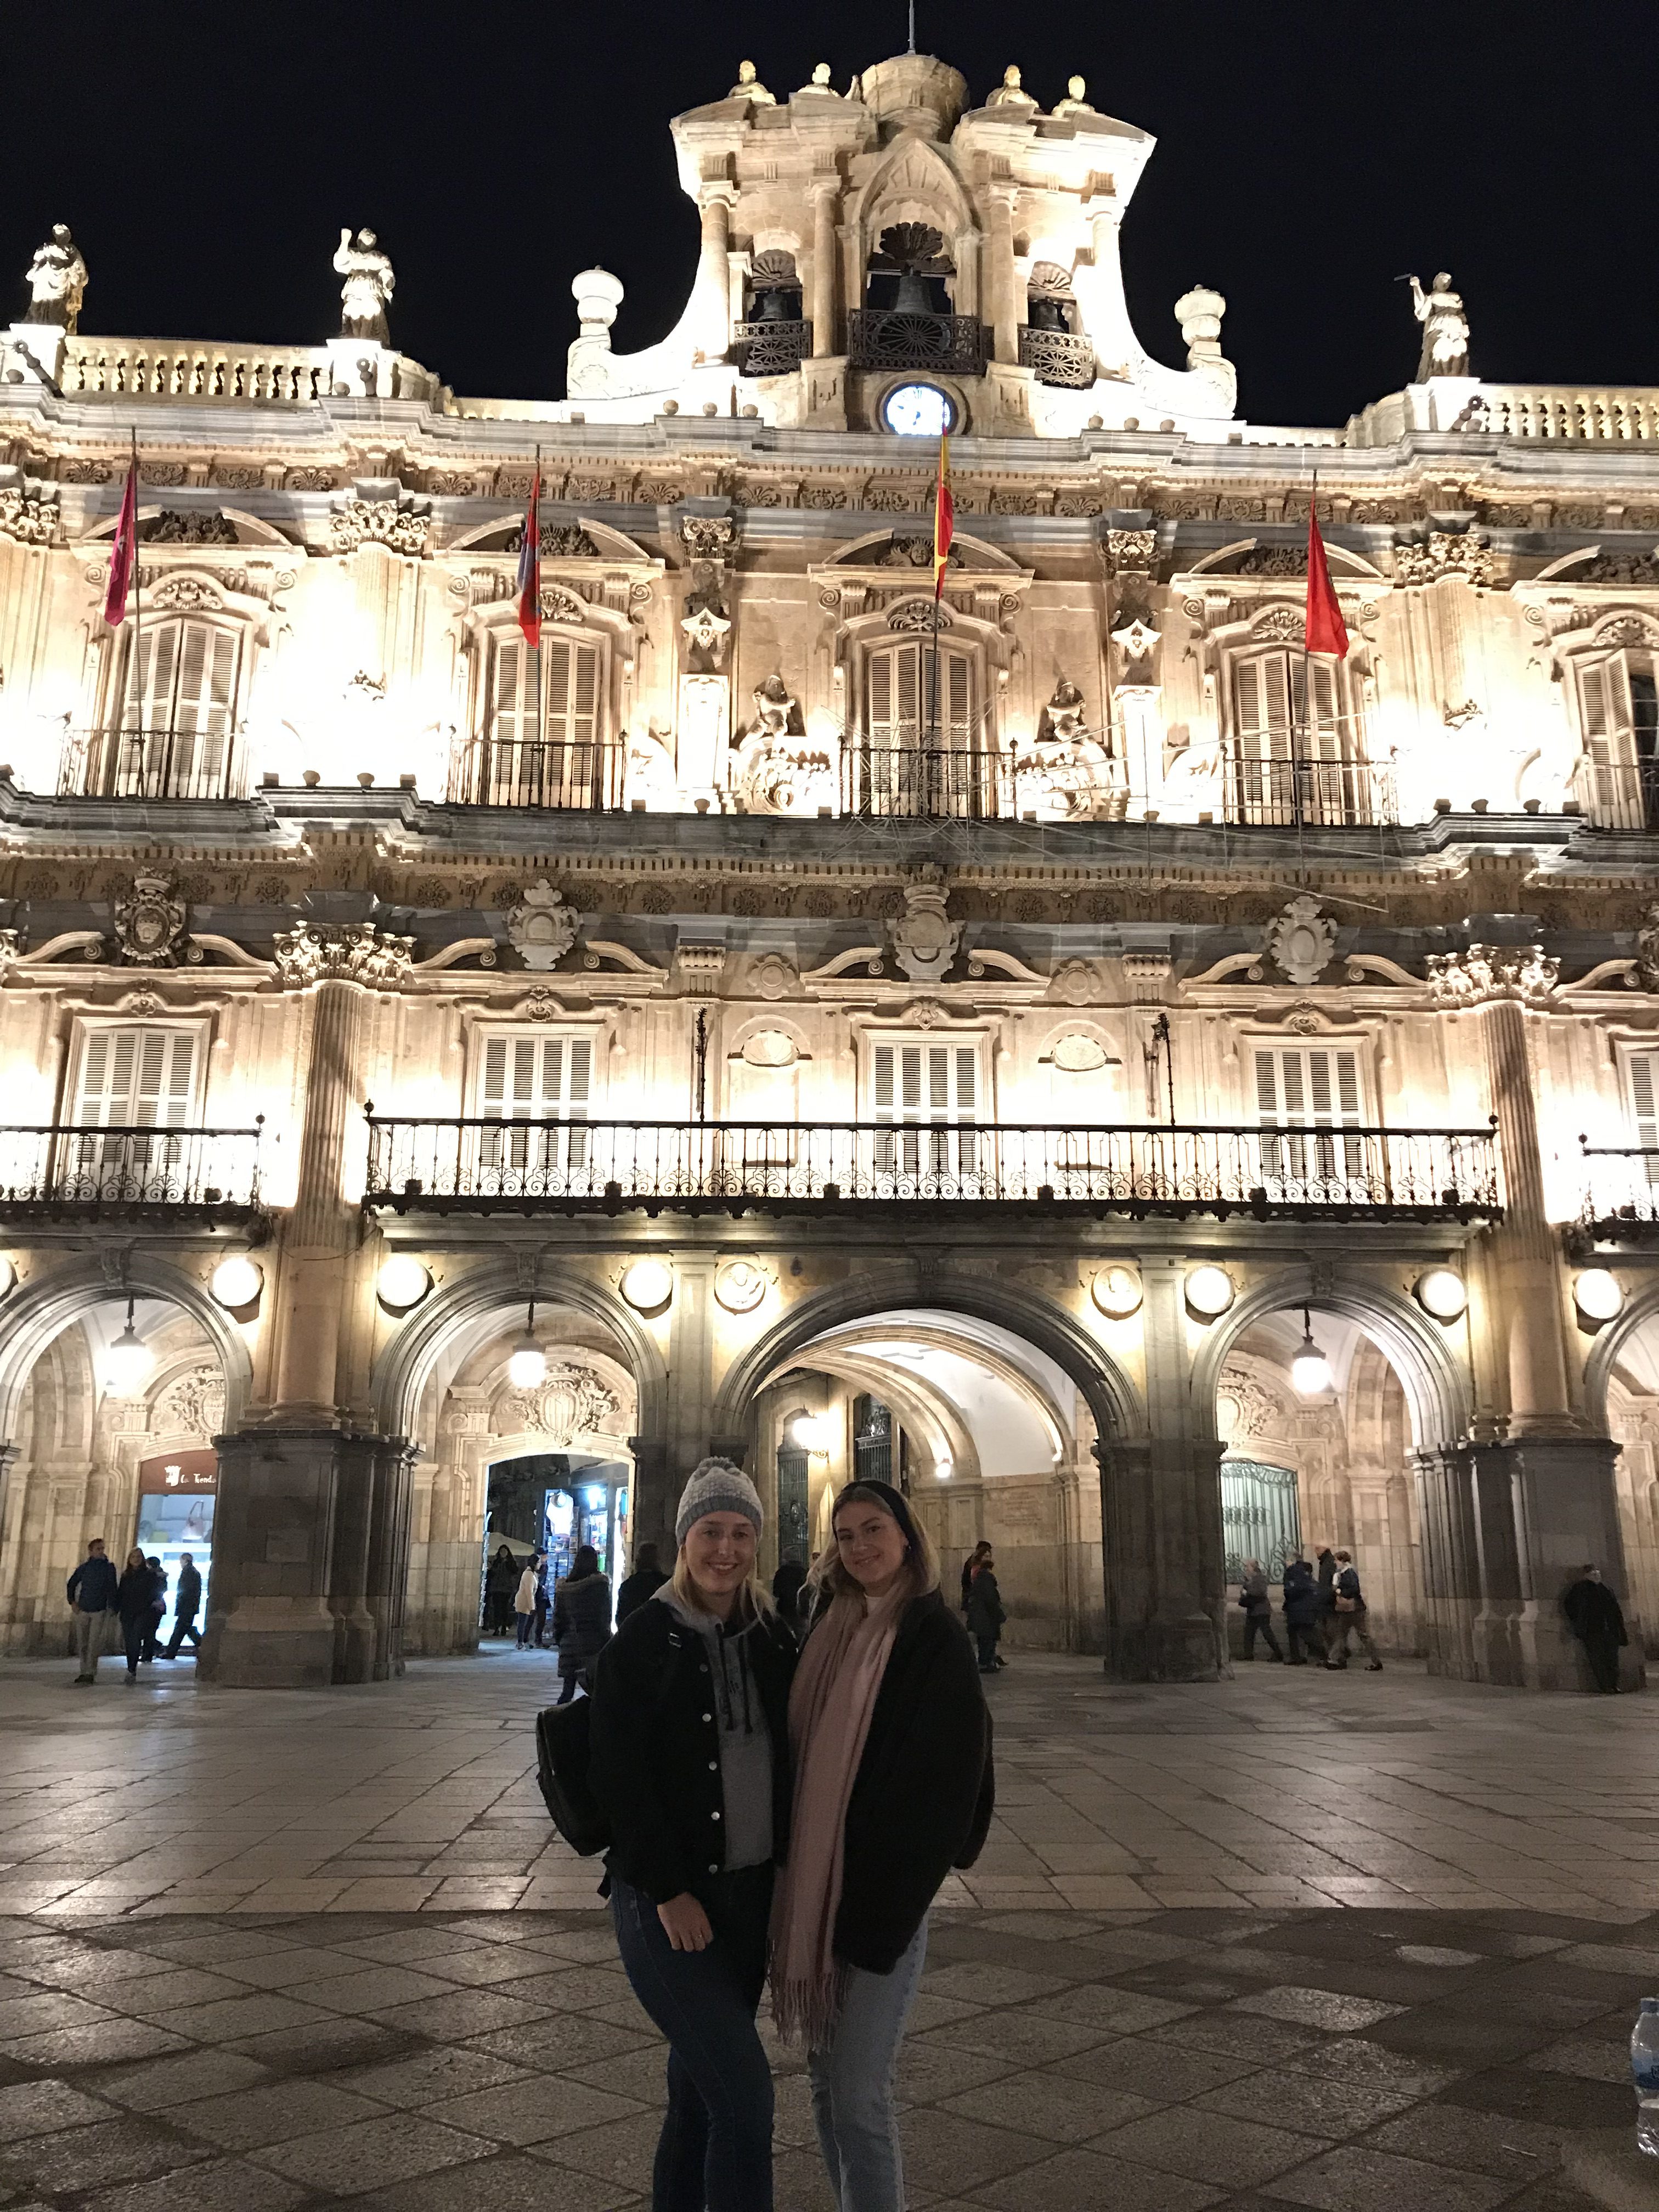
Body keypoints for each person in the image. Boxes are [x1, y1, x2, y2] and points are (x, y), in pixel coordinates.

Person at [771, 1481, 993, 2212]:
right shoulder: (827, 1627)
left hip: (880, 1909)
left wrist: (889, 1913)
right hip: (814, 1891)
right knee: (825, 2083)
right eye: (846, 1534)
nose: (860, 1546)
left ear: (906, 1537)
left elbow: (951, 1790)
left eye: (874, 1529)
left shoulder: (934, 1636)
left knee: (860, 2096)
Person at [590, 1459, 798, 2212]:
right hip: (668, 1908)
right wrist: (671, 1890)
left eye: (743, 1533)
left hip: (750, 1899)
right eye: (711, 1531)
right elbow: (622, 1782)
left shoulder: (775, 1635)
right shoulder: (642, 1642)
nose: (727, 1549)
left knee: (698, 2096)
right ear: (683, 1540)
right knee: (744, 2098)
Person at [553, 1542, 613, 1703]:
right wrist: (607, 1641)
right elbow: (603, 1618)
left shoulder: (564, 1589)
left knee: (567, 1692)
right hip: (592, 1646)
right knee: (598, 1693)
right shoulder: (599, 1586)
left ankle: (558, 1725)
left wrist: (561, 1640)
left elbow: (558, 1619)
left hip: (569, 1645)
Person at [1563, 1563, 1628, 1692]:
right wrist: (1579, 1621)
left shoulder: (1607, 1588)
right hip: (1592, 1631)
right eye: (1593, 1574)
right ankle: (1605, 1686)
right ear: (1587, 1575)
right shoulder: (1580, 1589)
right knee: (1597, 1660)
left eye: (1598, 1573)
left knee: (1612, 1659)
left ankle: (1614, 1684)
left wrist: (1620, 1629)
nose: (1597, 1575)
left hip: (1610, 1629)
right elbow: (1570, 1606)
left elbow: (1616, 1610)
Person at [66, 1538, 119, 1684]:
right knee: (82, 1642)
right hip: (84, 1609)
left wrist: (113, 1607)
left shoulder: (109, 1568)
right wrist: (72, 1602)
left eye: (103, 1548)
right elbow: (72, 1583)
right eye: (98, 1549)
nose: (101, 1551)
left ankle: (91, 1672)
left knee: (94, 1643)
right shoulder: (84, 1568)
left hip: (99, 1610)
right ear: (91, 1551)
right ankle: (83, 1671)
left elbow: (112, 1588)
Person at [1325, 1550, 1383, 1671]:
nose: (1335, 1563)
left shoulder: (1349, 1573)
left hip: (1355, 1609)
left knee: (1361, 1635)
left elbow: (1355, 1589)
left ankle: (1376, 1661)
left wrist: (1341, 1592)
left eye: (1336, 1560)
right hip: (1346, 1610)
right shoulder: (1341, 1574)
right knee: (1342, 1635)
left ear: (1342, 1561)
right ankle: (1333, 1659)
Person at [116, 1549, 160, 1681]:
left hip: (143, 1612)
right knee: (129, 1642)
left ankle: (132, 1669)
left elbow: (154, 1593)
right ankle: (131, 1667)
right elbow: (121, 1593)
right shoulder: (126, 1576)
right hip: (127, 1613)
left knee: (135, 1639)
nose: (136, 1559)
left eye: (138, 1557)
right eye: (133, 1557)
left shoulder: (149, 1575)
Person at [964, 1547, 1007, 1674]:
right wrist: (998, 1614)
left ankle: (987, 1662)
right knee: (987, 1640)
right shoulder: (984, 1577)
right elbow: (990, 1599)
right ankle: (986, 1663)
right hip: (985, 1616)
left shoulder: (981, 1576)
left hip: (982, 1615)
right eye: (986, 1556)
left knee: (986, 1640)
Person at [1238, 1558, 1284, 1661]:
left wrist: (1248, 1590)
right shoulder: (1250, 1579)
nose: (1246, 1569)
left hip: (1261, 1610)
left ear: (1253, 1567)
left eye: (1247, 1566)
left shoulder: (1260, 1578)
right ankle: (1248, 1655)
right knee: (1249, 1633)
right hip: (1253, 1609)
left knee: (1267, 1632)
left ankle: (1278, 1653)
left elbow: (1260, 1592)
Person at [1282, 1555, 1323, 1666]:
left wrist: (1289, 1593)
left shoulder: (1294, 1572)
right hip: (1301, 1608)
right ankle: (1297, 1656)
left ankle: (1323, 1653)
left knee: (1306, 1633)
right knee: (1296, 1632)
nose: (1285, 1563)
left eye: (1287, 1560)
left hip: (1298, 1608)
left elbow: (1294, 1590)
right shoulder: (1303, 1573)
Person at [617, 1540, 669, 1625]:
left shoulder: (628, 1586)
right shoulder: (665, 1584)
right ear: (657, 1560)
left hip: (634, 1634)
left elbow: (621, 1618)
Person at [164, 1553, 202, 1658]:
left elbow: (185, 1591)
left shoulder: (188, 1573)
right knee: (185, 1629)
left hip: (187, 1607)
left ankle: (171, 1652)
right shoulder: (193, 1572)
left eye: (181, 1561)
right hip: (190, 1607)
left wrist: (180, 1606)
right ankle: (201, 1643)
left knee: (180, 1630)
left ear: (185, 1561)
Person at [771, 1557, 808, 1643]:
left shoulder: (781, 1572)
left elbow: (776, 1592)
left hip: (784, 1607)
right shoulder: (804, 1572)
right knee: (802, 1635)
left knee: (782, 1634)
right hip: (799, 1608)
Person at [485, 1543, 517, 1636]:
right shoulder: (497, 1562)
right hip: (496, 1588)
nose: (503, 1553)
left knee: (504, 1609)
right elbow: (492, 1574)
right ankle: (497, 1627)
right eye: (501, 1551)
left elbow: (514, 1571)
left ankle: (503, 1626)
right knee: (497, 1609)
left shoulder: (510, 1562)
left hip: (506, 1589)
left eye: (505, 1551)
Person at [140, 1556, 168, 1663]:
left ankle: (149, 1653)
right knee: (150, 1631)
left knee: (148, 1632)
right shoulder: (161, 1576)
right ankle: (149, 1653)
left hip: (153, 1606)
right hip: (158, 1606)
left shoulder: (153, 1576)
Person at [514, 1555, 543, 1649]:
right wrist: (532, 1607)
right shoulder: (529, 1575)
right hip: (524, 1601)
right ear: (535, 1563)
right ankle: (520, 1642)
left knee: (526, 1622)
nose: (540, 1564)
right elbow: (529, 1592)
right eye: (539, 1562)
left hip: (526, 1600)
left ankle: (524, 1641)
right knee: (523, 1622)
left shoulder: (532, 1574)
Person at [960, 1541, 992, 1612]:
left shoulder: (973, 1563)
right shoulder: (976, 1566)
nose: (989, 1558)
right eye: (986, 1556)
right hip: (975, 1599)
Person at [533, 1552, 552, 1647]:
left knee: (541, 1619)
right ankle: (534, 1640)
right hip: (538, 1597)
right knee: (535, 1619)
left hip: (542, 1597)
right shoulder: (535, 1570)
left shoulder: (545, 1567)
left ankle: (537, 1640)